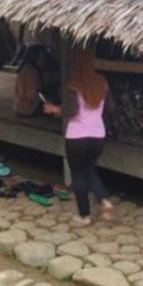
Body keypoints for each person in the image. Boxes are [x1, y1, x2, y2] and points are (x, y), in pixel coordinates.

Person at [43, 50, 114, 227]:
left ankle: (84, 216)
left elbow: (71, 111)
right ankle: (104, 200)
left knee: (78, 175)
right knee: (90, 168)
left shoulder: (73, 85)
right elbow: (111, 107)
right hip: (97, 135)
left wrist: (53, 108)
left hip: (77, 137)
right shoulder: (102, 83)